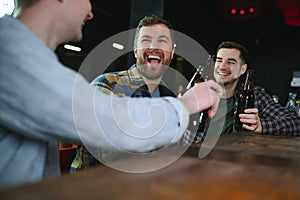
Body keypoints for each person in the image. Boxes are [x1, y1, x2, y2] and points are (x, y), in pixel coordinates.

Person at [0, 0, 221, 190]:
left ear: (172, 52)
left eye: (162, 41)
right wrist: (188, 102)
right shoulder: (9, 51)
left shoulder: (30, 56)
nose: (90, 12)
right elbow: (110, 127)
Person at [71, 15, 178, 171]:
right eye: (146, 40)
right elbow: (100, 154)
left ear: (172, 52)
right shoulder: (107, 85)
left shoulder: (168, 97)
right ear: (135, 50)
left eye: (162, 41)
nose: (154, 46)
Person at [184, 41, 300, 143]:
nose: (222, 67)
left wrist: (260, 126)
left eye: (231, 62)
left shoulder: (255, 95)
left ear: (242, 69)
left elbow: (295, 123)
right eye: (219, 60)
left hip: (234, 163)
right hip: (193, 160)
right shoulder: (197, 91)